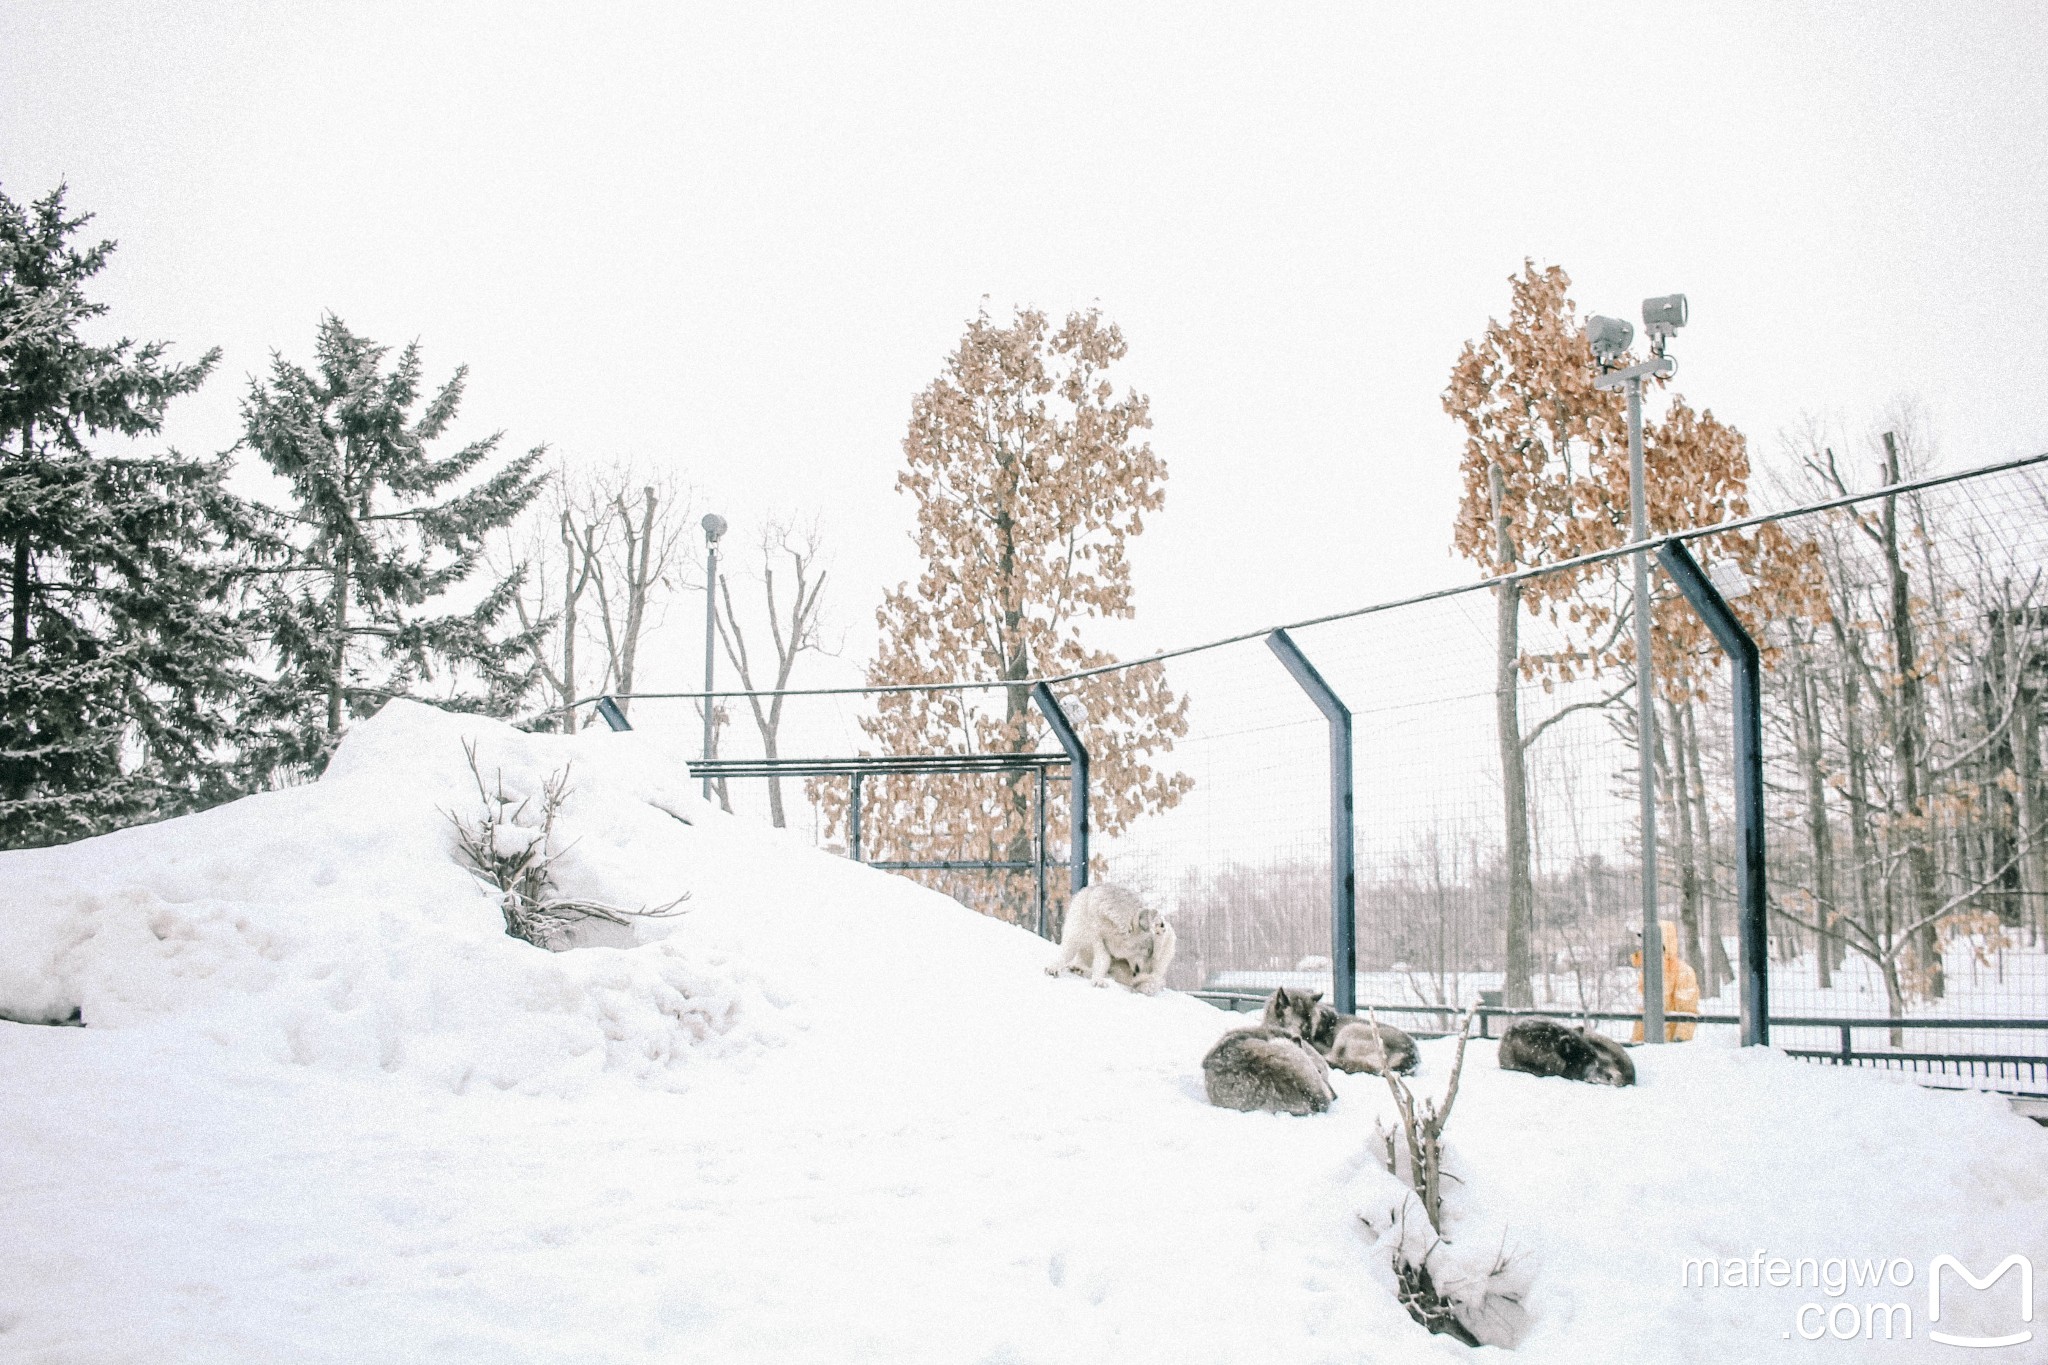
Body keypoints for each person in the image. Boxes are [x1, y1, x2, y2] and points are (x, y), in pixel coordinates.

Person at [1632, 920, 1700, 1042]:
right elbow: (1643, 1015)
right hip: (1649, 1044)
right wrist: (1637, 1042)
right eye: (1644, 943)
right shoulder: (1647, 971)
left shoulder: (1683, 972)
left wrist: (1679, 1041)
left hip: (1670, 1047)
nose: (1645, 947)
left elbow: (1687, 1012)